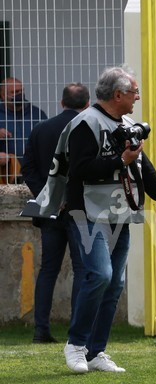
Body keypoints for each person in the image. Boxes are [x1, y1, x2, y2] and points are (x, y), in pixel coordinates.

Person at [31, 66, 156, 373]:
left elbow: (145, 171)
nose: (137, 97)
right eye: (134, 92)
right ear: (117, 94)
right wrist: (120, 160)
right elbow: (78, 170)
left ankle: (96, 351)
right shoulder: (85, 123)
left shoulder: (129, 124)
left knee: (115, 282)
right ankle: (76, 345)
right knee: (100, 275)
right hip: (87, 213)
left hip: (119, 214)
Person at [19, 83, 89, 344]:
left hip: (50, 212)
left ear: (61, 103)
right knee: (82, 270)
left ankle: (41, 329)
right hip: (80, 209)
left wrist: (47, 196)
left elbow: (28, 168)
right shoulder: (87, 129)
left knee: (49, 269)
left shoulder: (41, 129)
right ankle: (77, 331)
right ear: (88, 104)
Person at [1, 76, 48, 182]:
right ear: (3, 96)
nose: (20, 94)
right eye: (15, 92)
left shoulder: (36, 114)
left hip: (34, 173)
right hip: (7, 175)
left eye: (21, 90)